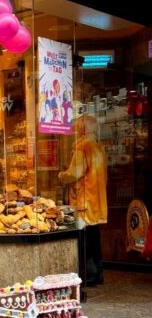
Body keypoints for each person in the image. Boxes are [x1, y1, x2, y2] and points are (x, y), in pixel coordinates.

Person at [58, 114, 108, 286]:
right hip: (97, 200)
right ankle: (98, 273)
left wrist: (61, 176)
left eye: (78, 126)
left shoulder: (83, 146)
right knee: (94, 238)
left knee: (84, 239)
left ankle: (88, 275)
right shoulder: (99, 147)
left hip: (84, 200)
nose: (76, 129)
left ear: (83, 128)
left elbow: (75, 172)